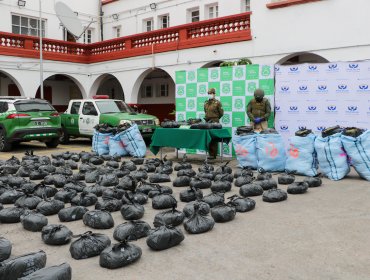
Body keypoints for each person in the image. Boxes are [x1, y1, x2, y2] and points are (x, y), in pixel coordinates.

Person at [204, 88, 224, 159]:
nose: (210, 95)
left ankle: (213, 154)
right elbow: (205, 111)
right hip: (207, 122)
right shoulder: (206, 102)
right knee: (208, 138)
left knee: (213, 138)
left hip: (215, 121)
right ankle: (210, 153)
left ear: (214, 94)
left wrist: (215, 119)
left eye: (211, 93)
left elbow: (221, 113)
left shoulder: (217, 103)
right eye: (209, 93)